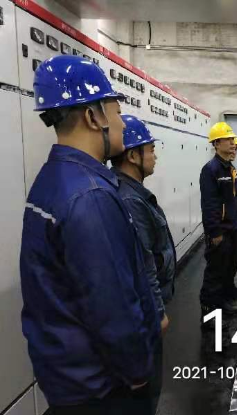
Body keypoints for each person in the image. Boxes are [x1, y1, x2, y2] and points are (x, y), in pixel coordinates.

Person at [20, 55, 160, 414]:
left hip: (70, 380)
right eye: (116, 112)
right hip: (102, 390)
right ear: (92, 116)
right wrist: (138, 372)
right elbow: (111, 301)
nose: (121, 123)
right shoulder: (90, 195)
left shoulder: (54, 178)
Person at [111, 115, 176, 413]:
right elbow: (143, 262)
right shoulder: (130, 200)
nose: (155, 156)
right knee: (146, 392)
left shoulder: (133, 193)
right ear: (133, 156)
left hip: (146, 307)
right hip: (144, 312)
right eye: (150, 150)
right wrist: (157, 312)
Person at [199, 122, 237, 324]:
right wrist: (215, 231)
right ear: (216, 144)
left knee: (228, 268)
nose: (233, 143)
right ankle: (209, 313)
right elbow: (209, 204)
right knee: (215, 273)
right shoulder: (211, 170)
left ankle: (223, 302)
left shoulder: (229, 168)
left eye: (233, 140)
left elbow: (234, 199)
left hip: (232, 228)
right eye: (228, 140)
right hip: (220, 231)